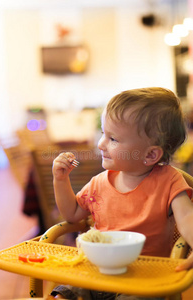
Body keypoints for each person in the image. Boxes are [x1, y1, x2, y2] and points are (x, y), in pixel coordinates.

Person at [48, 87, 193, 300]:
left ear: (151, 154)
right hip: (95, 270)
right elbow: (72, 213)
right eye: (102, 134)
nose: (100, 144)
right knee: (62, 293)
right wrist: (60, 180)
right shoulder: (99, 182)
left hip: (144, 278)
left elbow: (188, 217)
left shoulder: (169, 181)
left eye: (113, 139)